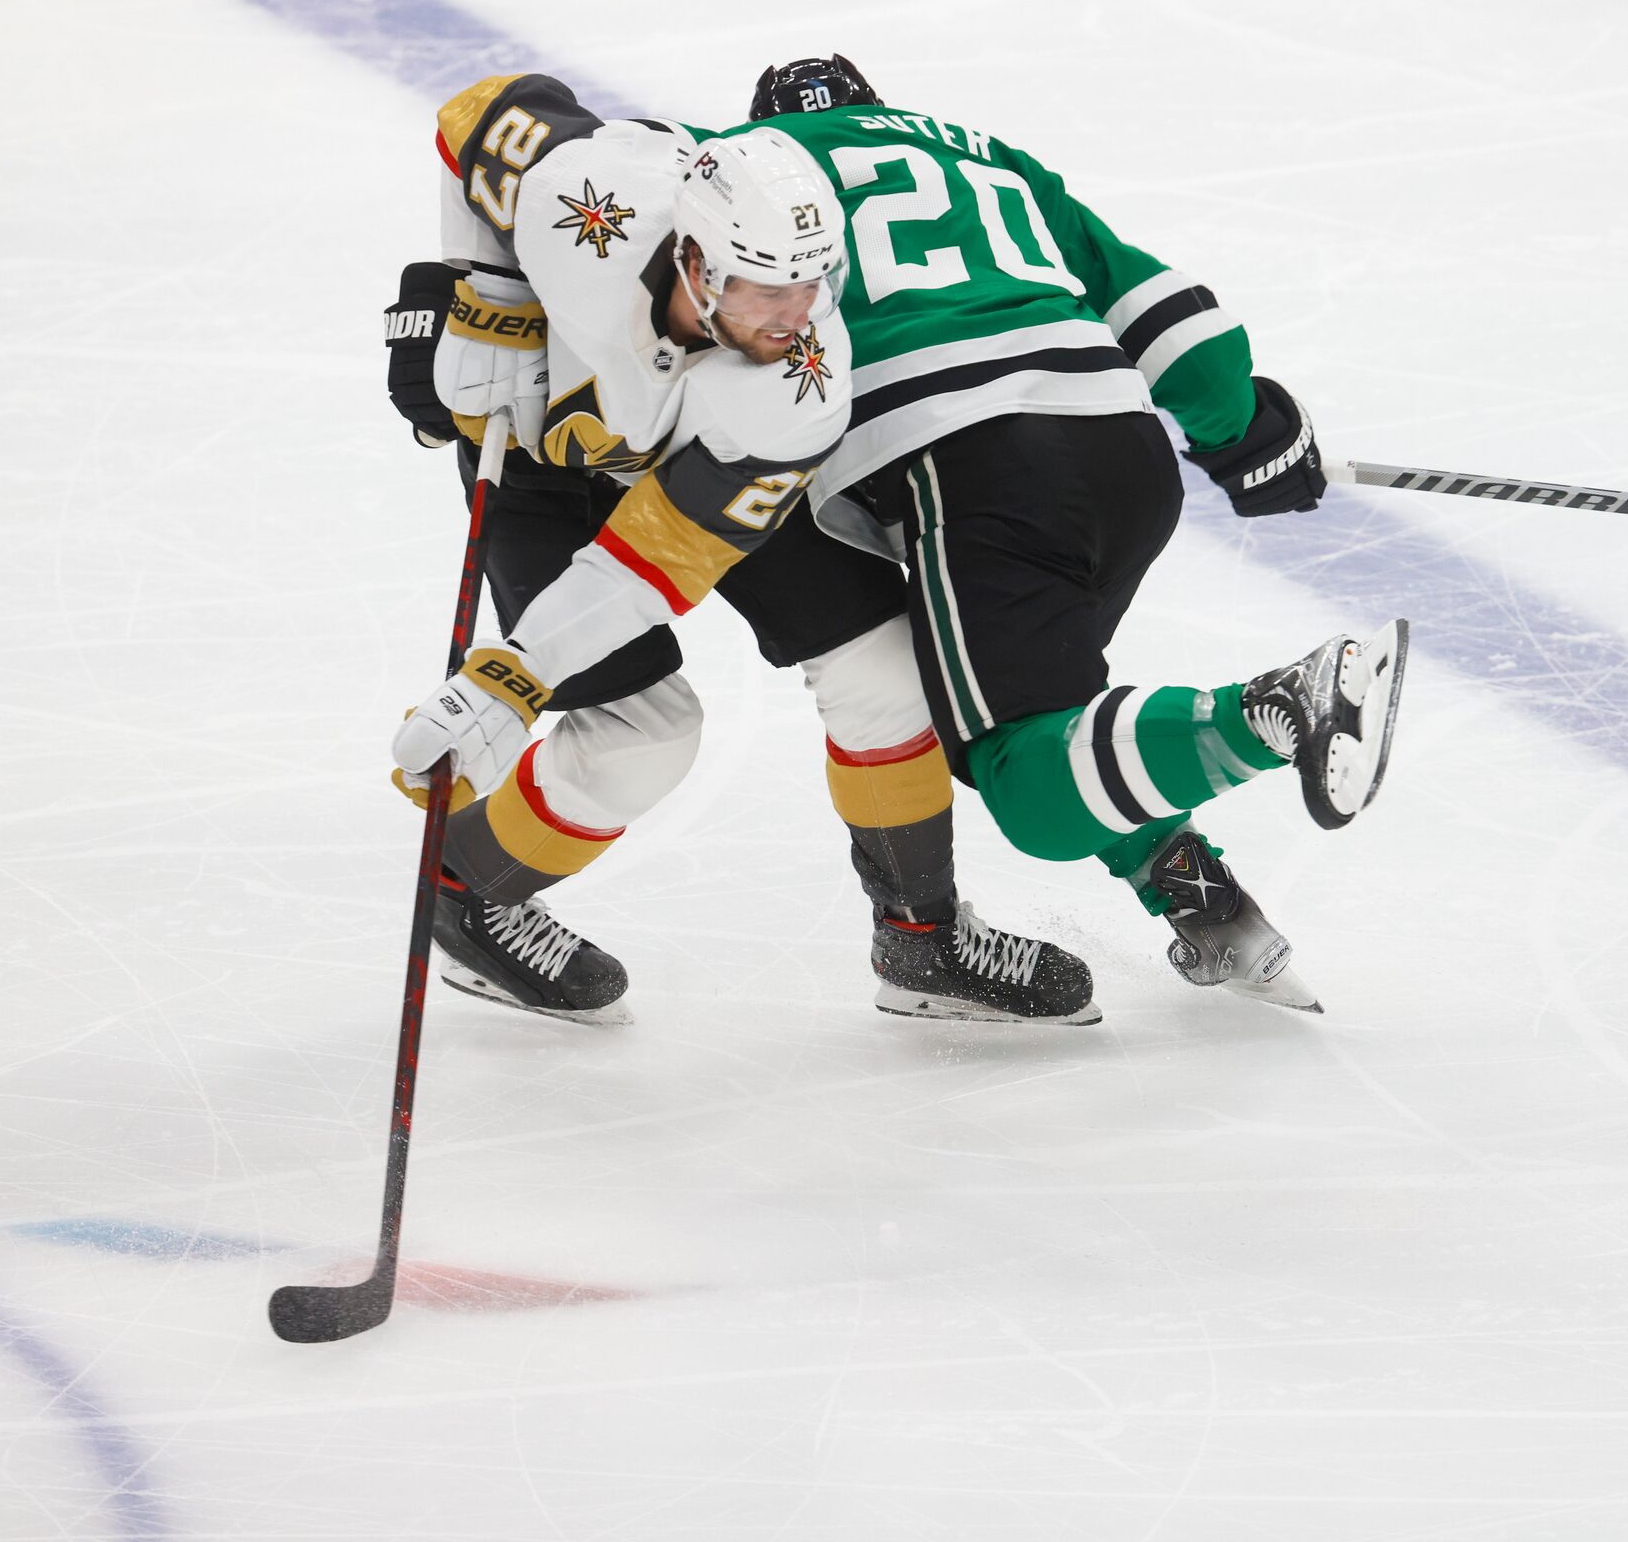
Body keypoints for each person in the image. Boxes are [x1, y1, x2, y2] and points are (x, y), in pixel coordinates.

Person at [379, 72, 1096, 1027]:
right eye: (768, 285)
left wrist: (511, 677)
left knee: (885, 671)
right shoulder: (593, 198)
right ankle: (469, 890)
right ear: (695, 260)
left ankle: (921, 937)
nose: (797, 313)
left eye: (812, 279)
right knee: (646, 738)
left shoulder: (794, 385)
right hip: (538, 459)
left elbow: (659, 555)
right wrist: (484, 289)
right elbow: (474, 117)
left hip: (683, 468)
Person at [734, 57, 1410, 1012]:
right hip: (1123, 450)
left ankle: (1271, 711)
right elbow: (1160, 304)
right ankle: (1204, 904)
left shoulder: (749, 172)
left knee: (1017, 767)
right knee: (1051, 710)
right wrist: (1244, 429)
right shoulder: (983, 157)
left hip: (963, 455)